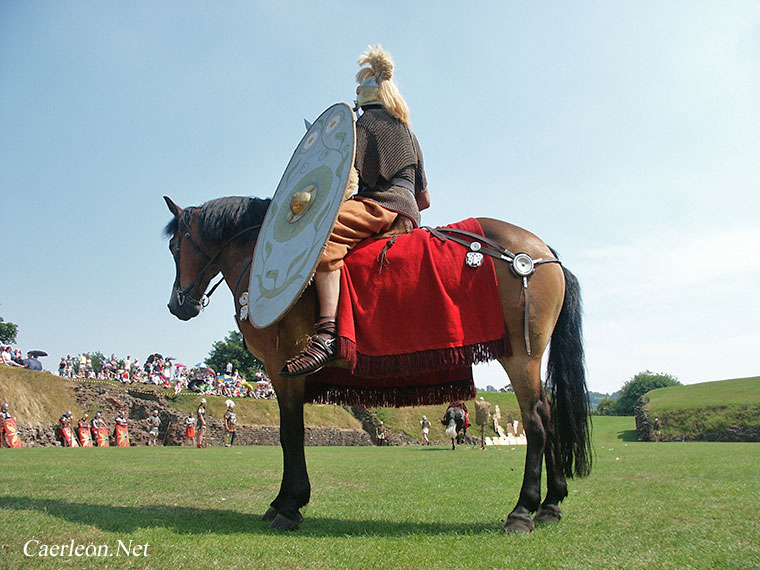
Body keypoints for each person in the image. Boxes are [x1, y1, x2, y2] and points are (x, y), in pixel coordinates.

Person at [281, 44, 430, 377]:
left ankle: (326, 335)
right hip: (408, 214)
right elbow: (425, 200)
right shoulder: (407, 131)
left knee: (323, 239)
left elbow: (345, 182)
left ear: (360, 100)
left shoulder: (365, 125)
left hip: (381, 205)